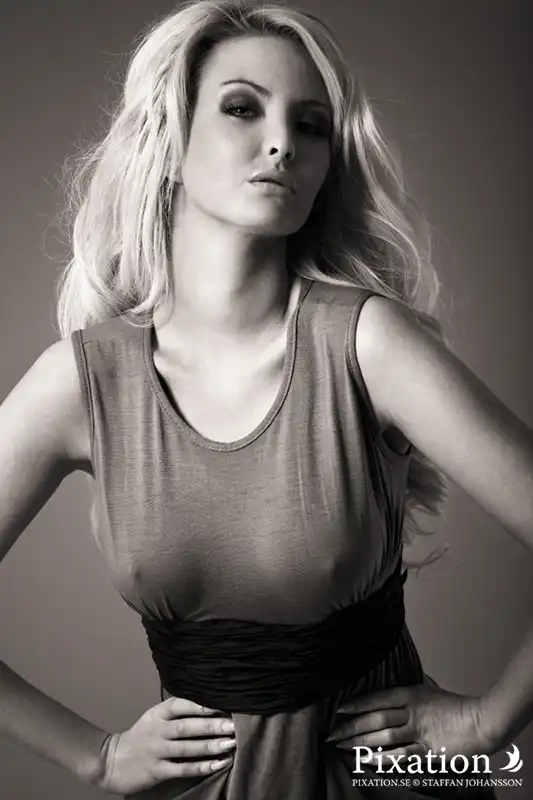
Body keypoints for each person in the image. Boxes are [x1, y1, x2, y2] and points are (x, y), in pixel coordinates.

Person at [0, 0, 531, 798]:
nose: (282, 142)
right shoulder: (84, 382)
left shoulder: (368, 343)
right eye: (242, 108)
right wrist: (97, 757)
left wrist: (489, 726)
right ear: (168, 141)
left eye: (310, 125)